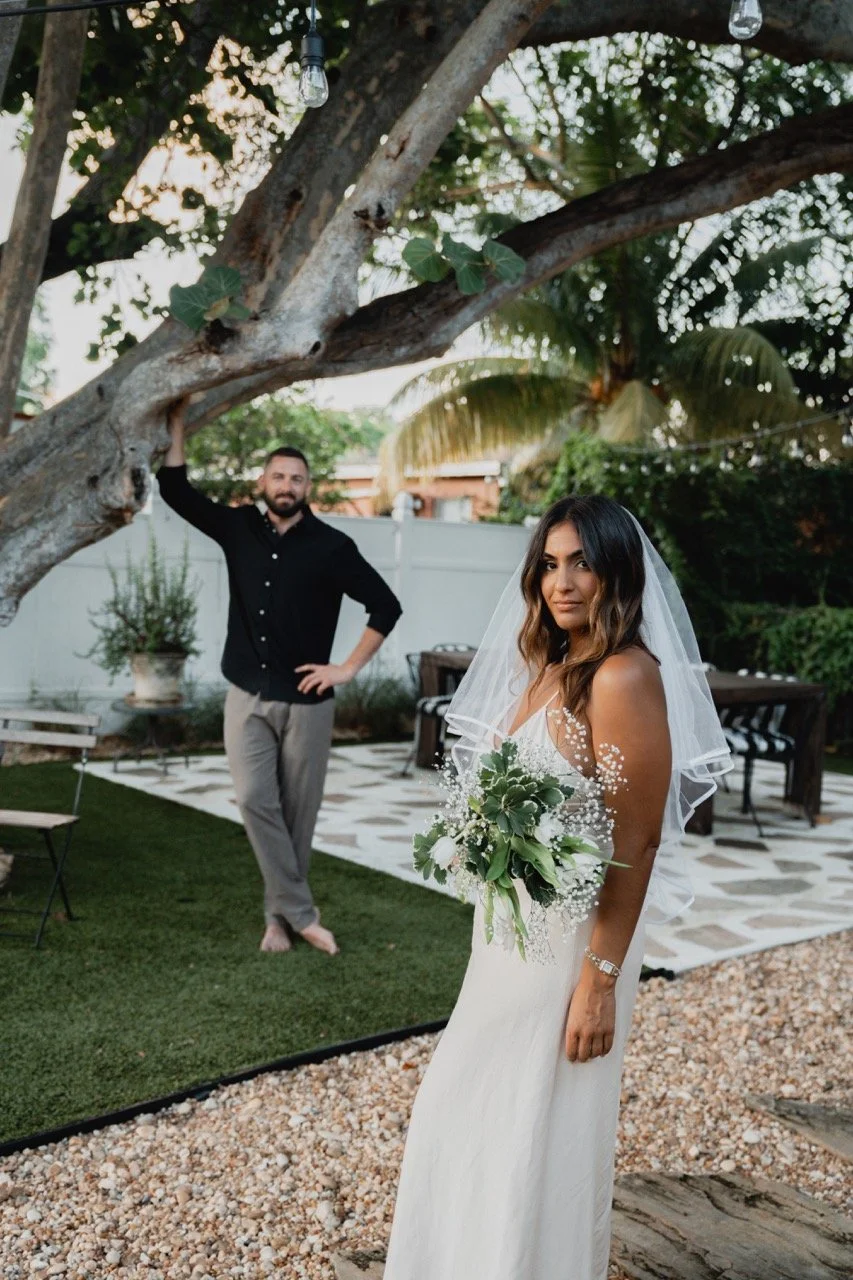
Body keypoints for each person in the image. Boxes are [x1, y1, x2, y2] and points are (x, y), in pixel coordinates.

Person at [383, 495, 730, 1279]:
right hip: (512, 935)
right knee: (475, 1108)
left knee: (532, 1120)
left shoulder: (621, 676)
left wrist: (599, 982)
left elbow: (635, 839)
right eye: (548, 564)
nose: (561, 582)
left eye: (581, 563)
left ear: (617, 572)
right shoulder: (550, 665)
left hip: (572, 948)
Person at [157, 398, 403, 956]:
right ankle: (301, 911)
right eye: (278, 475)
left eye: (297, 477)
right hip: (246, 693)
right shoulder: (237, 527)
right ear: (262, 480)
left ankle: (277, 922)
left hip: (309, 704)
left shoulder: (333, 548)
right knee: (253, 799)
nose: (287, 484)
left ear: (307, 487)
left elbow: (385, 606)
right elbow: (176, 491)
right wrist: (176, 420)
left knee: (298, 813)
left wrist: (346, 668)